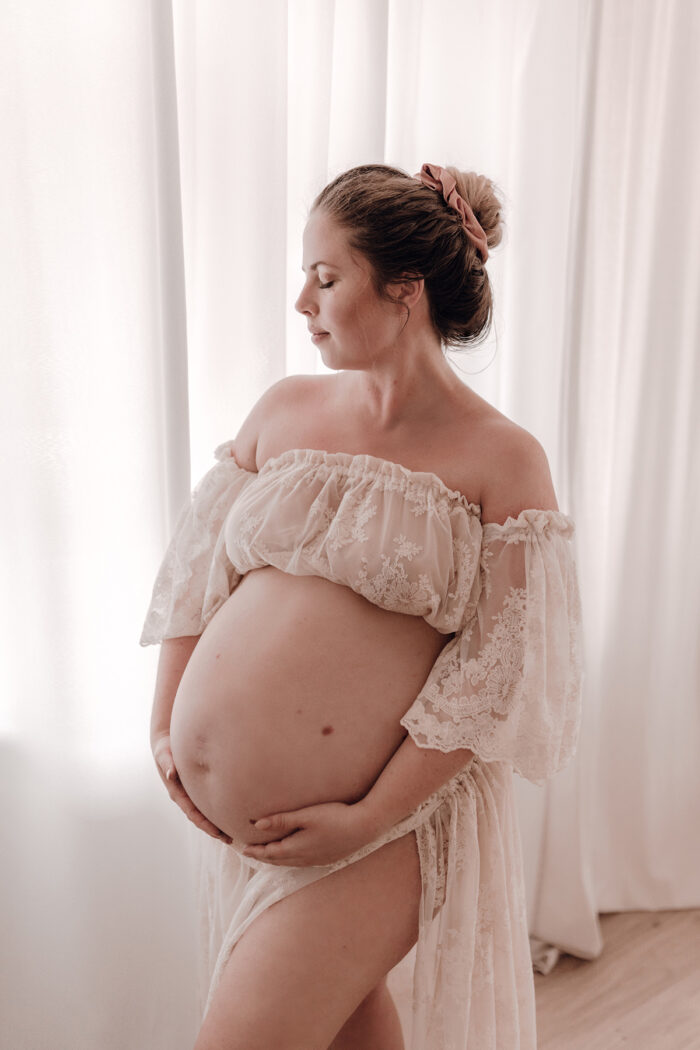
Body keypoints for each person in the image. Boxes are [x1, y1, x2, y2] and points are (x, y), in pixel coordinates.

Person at [140, 162, 584, 1050]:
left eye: (327, 277)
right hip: (258, 827)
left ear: (405, 290)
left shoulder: (502, 458)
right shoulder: (284, 410)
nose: (302, 301)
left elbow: (497, 676)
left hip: (382, 831)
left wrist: (367, 817)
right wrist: (168, 732)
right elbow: (196, 582)